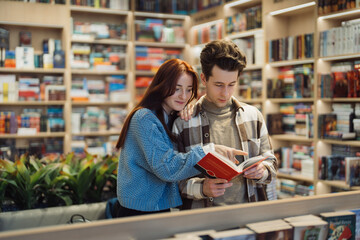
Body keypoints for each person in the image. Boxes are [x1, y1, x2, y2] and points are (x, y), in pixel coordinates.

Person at [114, 58, 247, 217]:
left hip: (157, 207)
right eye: (177, 88)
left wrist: (191, 107)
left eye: (189, 90)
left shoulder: (170, 117)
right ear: (162, 85)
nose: (183, 96)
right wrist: (208, 150)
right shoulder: (144, 118)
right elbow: (167, 168)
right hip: (138, 210)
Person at [172, 40, 278, 209]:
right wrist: (202, 188)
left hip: (249, 218)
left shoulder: (254, 116)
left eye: (232, 85)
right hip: (203, 223)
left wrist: (262, 171)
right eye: (219, 85)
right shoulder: (183, 123)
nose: (225, 93)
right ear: (204, 79)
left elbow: (271, 163)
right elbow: (173, 180)